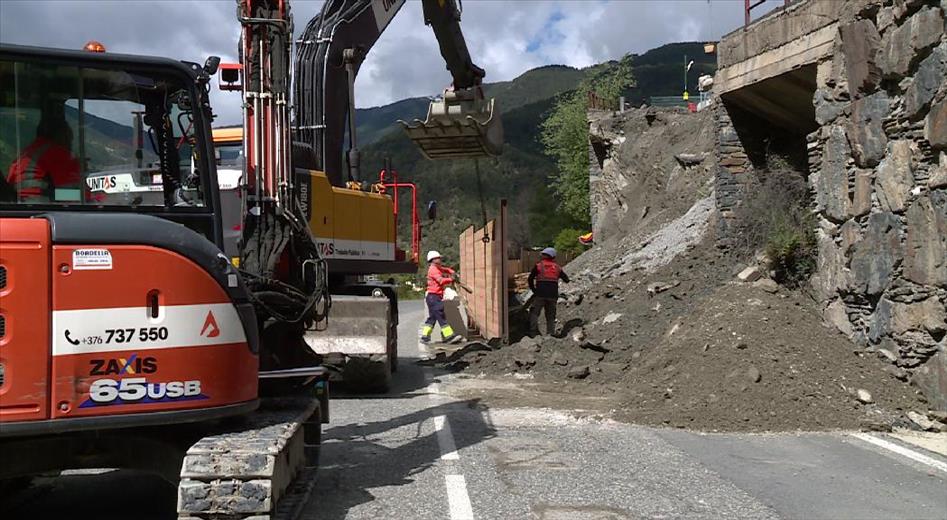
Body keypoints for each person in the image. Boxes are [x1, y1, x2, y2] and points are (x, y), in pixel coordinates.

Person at [6, 114, 81, 202]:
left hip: (20, 208)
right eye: (69, 139)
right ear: (61, 136)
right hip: (44, 207)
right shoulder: (60, 154)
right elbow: (74, 196)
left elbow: (9, 187)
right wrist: (93, 195)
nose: (69, 145)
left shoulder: (23, 157)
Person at [421, 250, 462, 344]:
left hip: (433, 297)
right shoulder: (433, 270)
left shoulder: (437, 268)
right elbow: (441, 281)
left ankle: (424, 337)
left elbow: (444, 269)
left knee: (432, 318)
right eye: (438, 258)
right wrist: (451, 279)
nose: (440, 259)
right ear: (433, 259)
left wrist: (451, 271)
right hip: (434, 297)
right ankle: (449, 336)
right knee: (441, 316)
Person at [528, 247, 570, 336]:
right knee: (550, 316)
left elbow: (530, 279)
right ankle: (550, 334)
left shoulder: (538, 266)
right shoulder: (557, 268)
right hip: (553, 295)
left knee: (534, 312)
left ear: (544, 255)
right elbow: (566, 279)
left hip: (540, 294)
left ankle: (533, 332)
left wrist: (534, 290)